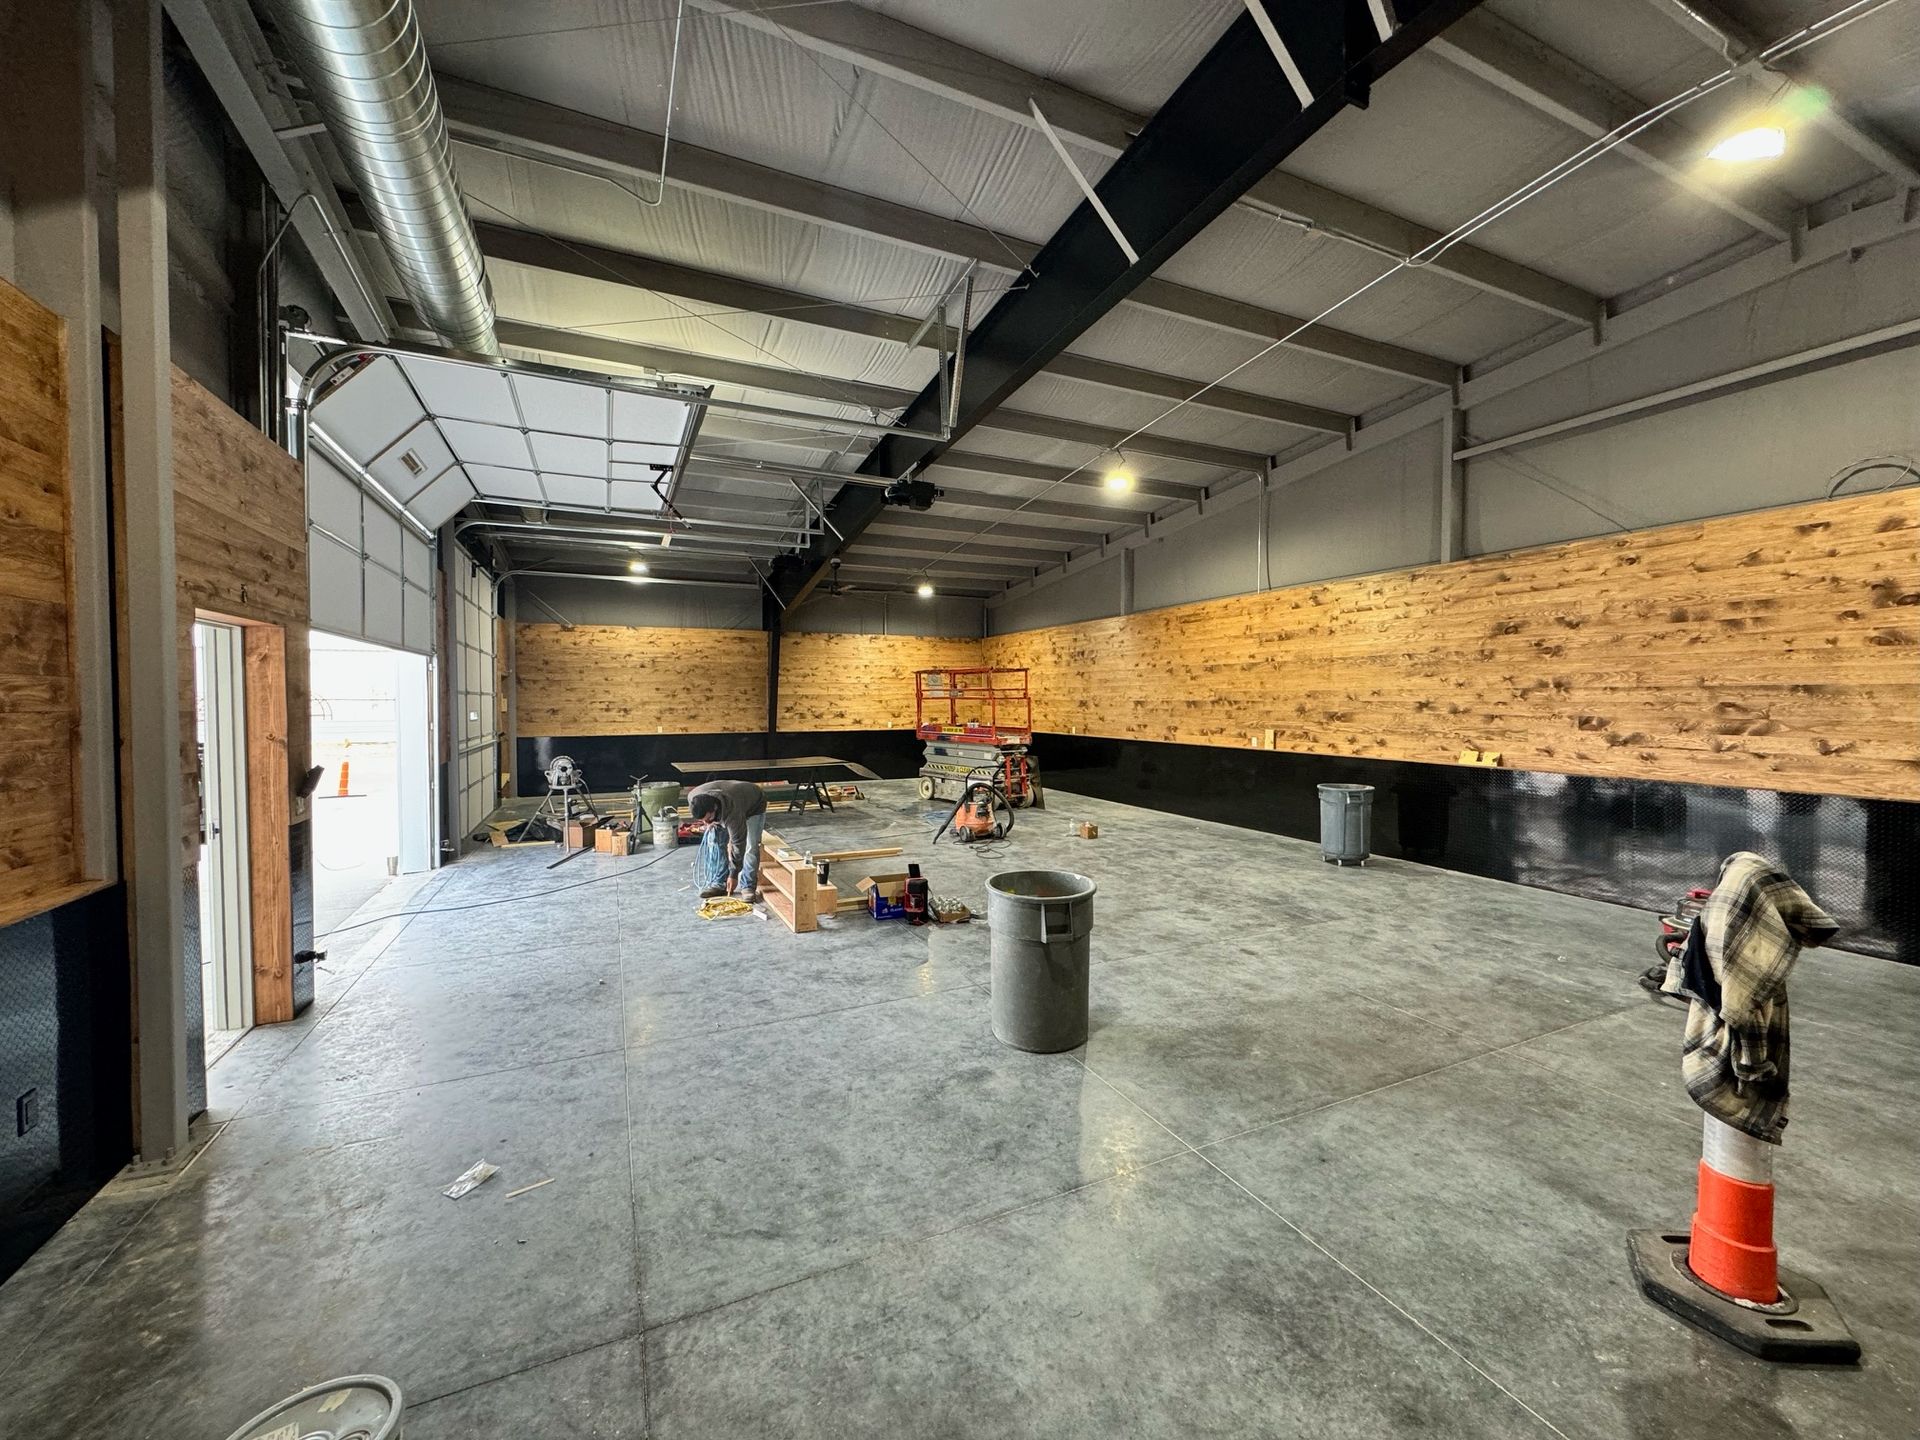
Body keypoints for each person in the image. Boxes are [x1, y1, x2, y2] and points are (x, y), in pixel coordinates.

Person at [686, 779, 768, 902]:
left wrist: (733, 874)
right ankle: (719, 884)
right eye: (703, 820)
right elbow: (708, 817)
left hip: (754, 804)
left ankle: (748, 886)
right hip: (730, 796)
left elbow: (738, 843)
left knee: (751, 846)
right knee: (716, 842)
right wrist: (708, 822)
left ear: (714, 808)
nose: (706, 823)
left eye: (708, 818)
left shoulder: (732, 813)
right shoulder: (693, 798)